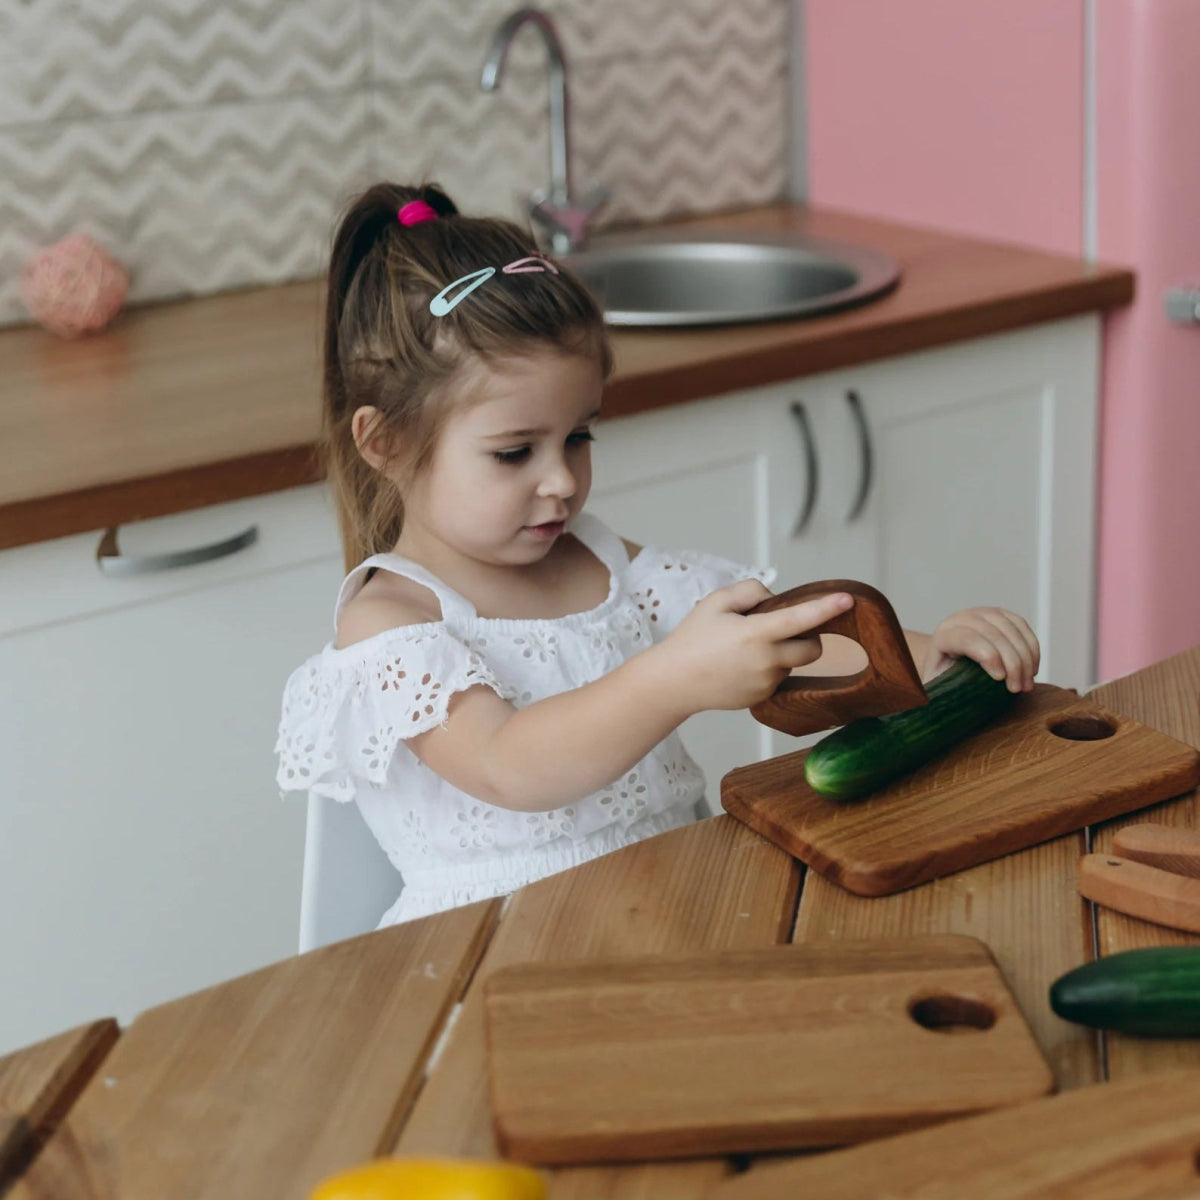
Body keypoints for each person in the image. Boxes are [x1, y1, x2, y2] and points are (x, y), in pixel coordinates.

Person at [275, 182, 1040, 927]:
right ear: (387, 443)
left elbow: (782, 639)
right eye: (514, 453)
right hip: (502, 954)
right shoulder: (389, 621)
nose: (560, 481)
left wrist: (934, 654)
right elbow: (508, 765)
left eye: (579, 436)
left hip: (679, 911)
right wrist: (672, 679)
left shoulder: (605, 566)